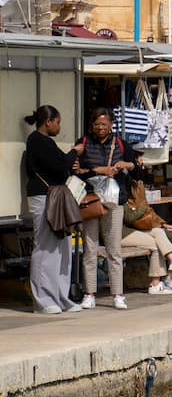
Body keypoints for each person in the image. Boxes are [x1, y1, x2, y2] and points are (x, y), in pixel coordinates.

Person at [24, 105, 84, 314]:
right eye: (57, 122)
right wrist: (74, 152)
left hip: (53, 198)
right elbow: (59, 166)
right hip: (44, 197)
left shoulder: (44, 142)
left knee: (62, 247)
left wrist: (71, 159)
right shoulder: (36, 141)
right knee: (45, 247)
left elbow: (61, 165)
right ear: (48, 122)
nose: (59, 126)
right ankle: (43, 299)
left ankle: (60, 296)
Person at [77, 107, 138, 310]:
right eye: (97, 125)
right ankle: (89, 293)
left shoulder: (120, 143)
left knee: (114, 250)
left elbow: (136, 165)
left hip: (114, 201)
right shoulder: (84, 142)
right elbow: (76, 170)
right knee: (89, 248)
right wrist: (98, 170)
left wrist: (125, 165)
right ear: (91, 126)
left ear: (112, 124)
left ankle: (117, 294)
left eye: (104, 124)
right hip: (91, 200)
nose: (100, 128)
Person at [120, 203, 172, 296]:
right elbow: (129, 217)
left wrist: (161, 223)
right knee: (159, 242)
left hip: (137, 228)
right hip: (123, 233)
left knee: (159, 232)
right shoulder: (121, 196)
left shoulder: (134, 197)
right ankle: (156, 284)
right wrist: (144, 207)